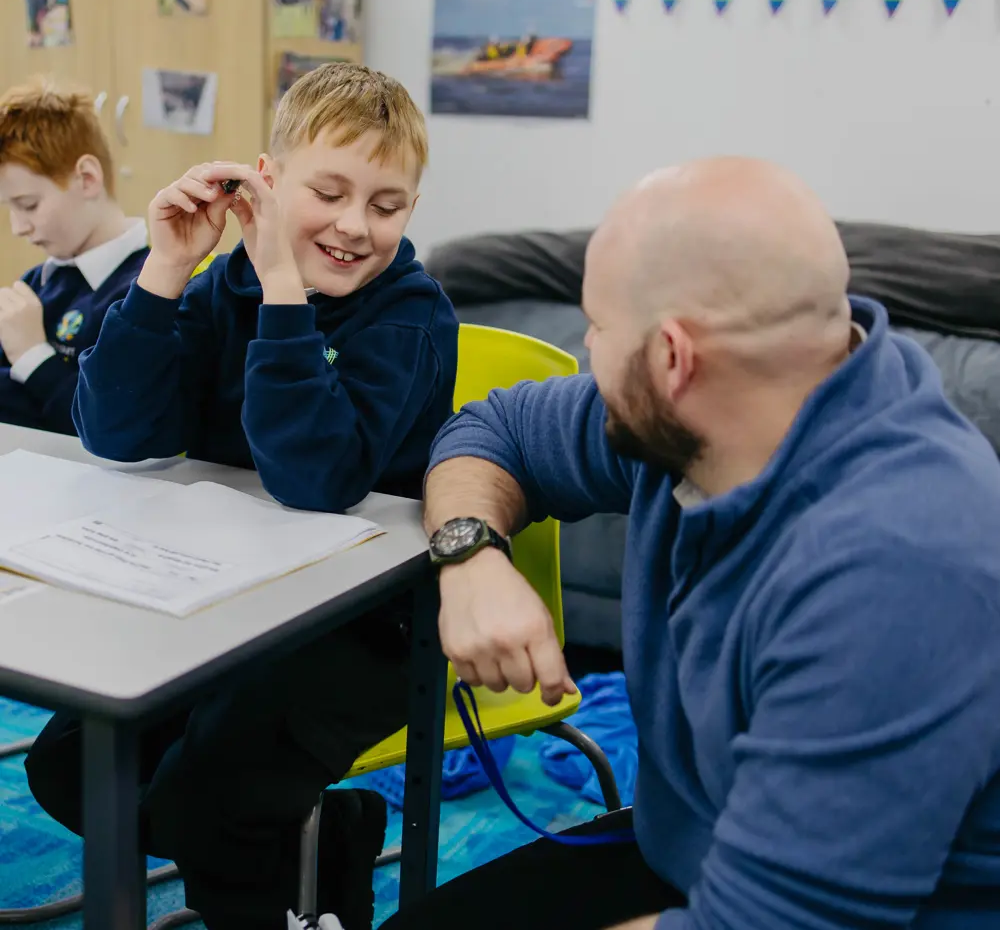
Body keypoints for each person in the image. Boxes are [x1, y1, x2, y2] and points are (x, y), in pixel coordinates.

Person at [388, 157, 1000, 930]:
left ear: (673, 359)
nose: (586, 350)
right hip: (693, 853)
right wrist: (472, 555)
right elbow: (492, 430)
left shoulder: (897, 572)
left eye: (598, 329)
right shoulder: (712, 416)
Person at [24, 63, 458, 930]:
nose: (352, 225)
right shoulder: (226, 285)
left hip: (368, 628)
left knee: (207, 796)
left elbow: (318, 482)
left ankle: (279, 865)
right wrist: (165, 271)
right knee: (71, 766)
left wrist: (285, 292)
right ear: (265, 179)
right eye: (327, 192)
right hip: (231, 600)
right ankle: (316, 836)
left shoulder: (412, 318)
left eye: (386, 204)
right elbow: (115, 431)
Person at [0, 79, 149, 435]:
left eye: (28, 205)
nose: (17, 227)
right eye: (9, 208)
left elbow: (110, 427)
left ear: (86, 178)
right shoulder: (41, 281)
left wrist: (32, 356)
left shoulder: (148, 290)